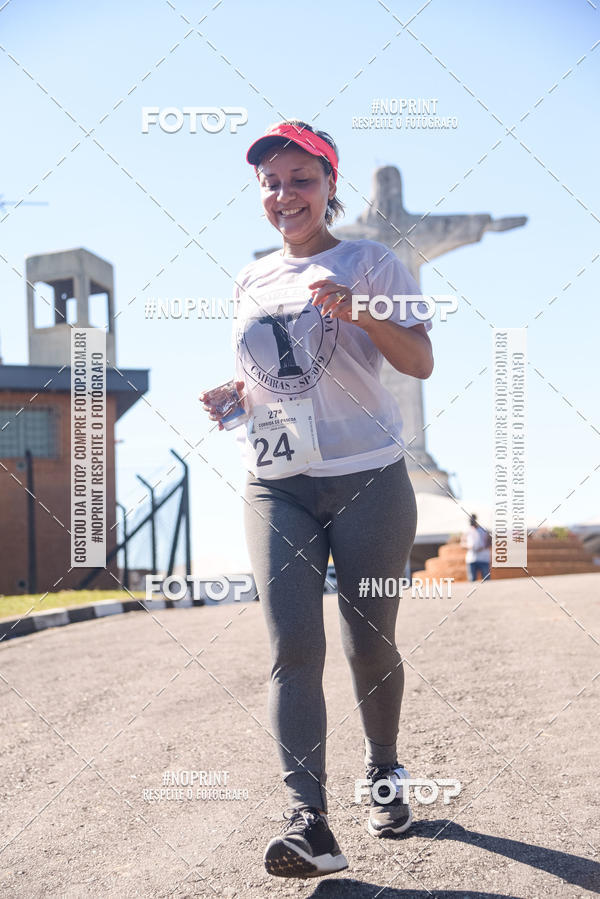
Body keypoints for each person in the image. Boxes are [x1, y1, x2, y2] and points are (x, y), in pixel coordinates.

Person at [200, 120, 434, 879]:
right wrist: (234, 394)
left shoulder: (372, 262)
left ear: (330, 184)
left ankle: (385, 770)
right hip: (277, 481)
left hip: (369, 475)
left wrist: (360, 311)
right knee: (293, 648)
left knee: (369, 640)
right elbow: (272, 375)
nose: (285, 194)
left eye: (301, 179)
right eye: (271, 182)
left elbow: (420, 360)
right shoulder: (251, 278)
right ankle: (310, 822)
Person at [461, 514, 491, 582]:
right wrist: (469, 547)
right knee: (472, 581)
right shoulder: (466, 531)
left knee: (486, 581)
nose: (471, 522)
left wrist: (483, 547)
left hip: (484, 559)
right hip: (471, 559)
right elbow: (462, 543)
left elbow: (490, 541)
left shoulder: (484, 530)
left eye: (472, 520)